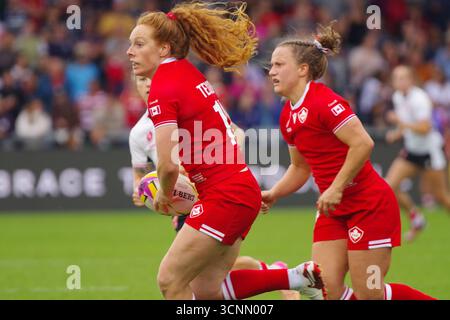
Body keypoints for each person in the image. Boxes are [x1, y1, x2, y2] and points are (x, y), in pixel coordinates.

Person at [126, 2, 325, 300]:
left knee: (169, 280)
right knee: (207, 290)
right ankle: (294, 277)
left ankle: (295, 277)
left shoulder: (163, 87)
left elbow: (167, 166)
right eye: (130, 44)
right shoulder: (187, 73)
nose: (130, 51)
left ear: (165, 48)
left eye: (139, 44)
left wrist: (165, 195)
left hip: (224, 196)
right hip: (238, 191)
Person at [262, 23, 436, 300]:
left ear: (302, 70)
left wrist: (336, 187)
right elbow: (300, 167)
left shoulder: (325, 102)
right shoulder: (287, 116)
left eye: (279, 64)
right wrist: (274, 193)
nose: (271, 72)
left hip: (369, 206)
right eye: (271, 65)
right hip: (333, 210)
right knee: (325, 290)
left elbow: (363, 143)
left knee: (370, 293)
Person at [129, 71, 300, 300]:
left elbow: (236, 133)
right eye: (142, 81)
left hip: (214, 194)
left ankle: (280, 274)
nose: (148, 85)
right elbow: (140, 178)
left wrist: (229, 166)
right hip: (185, 206)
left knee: (184, 279)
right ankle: (279, 273)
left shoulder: (188, 106)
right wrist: (144, 192)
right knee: (203, 283)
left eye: (151, 79)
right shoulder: (138, 134)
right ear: (136, 86)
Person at [385, 65, 450, 242]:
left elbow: (424, 127)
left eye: (403, 77)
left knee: (442, 197)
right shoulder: (397, 97)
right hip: (412, 150)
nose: (400, 81)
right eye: (396, 78)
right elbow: (407, 124)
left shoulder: (420, 98)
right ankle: (417, 219)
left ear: (411, 80)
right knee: (388, 187)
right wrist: (397, 132)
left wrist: (400, 123)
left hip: (429, 152)